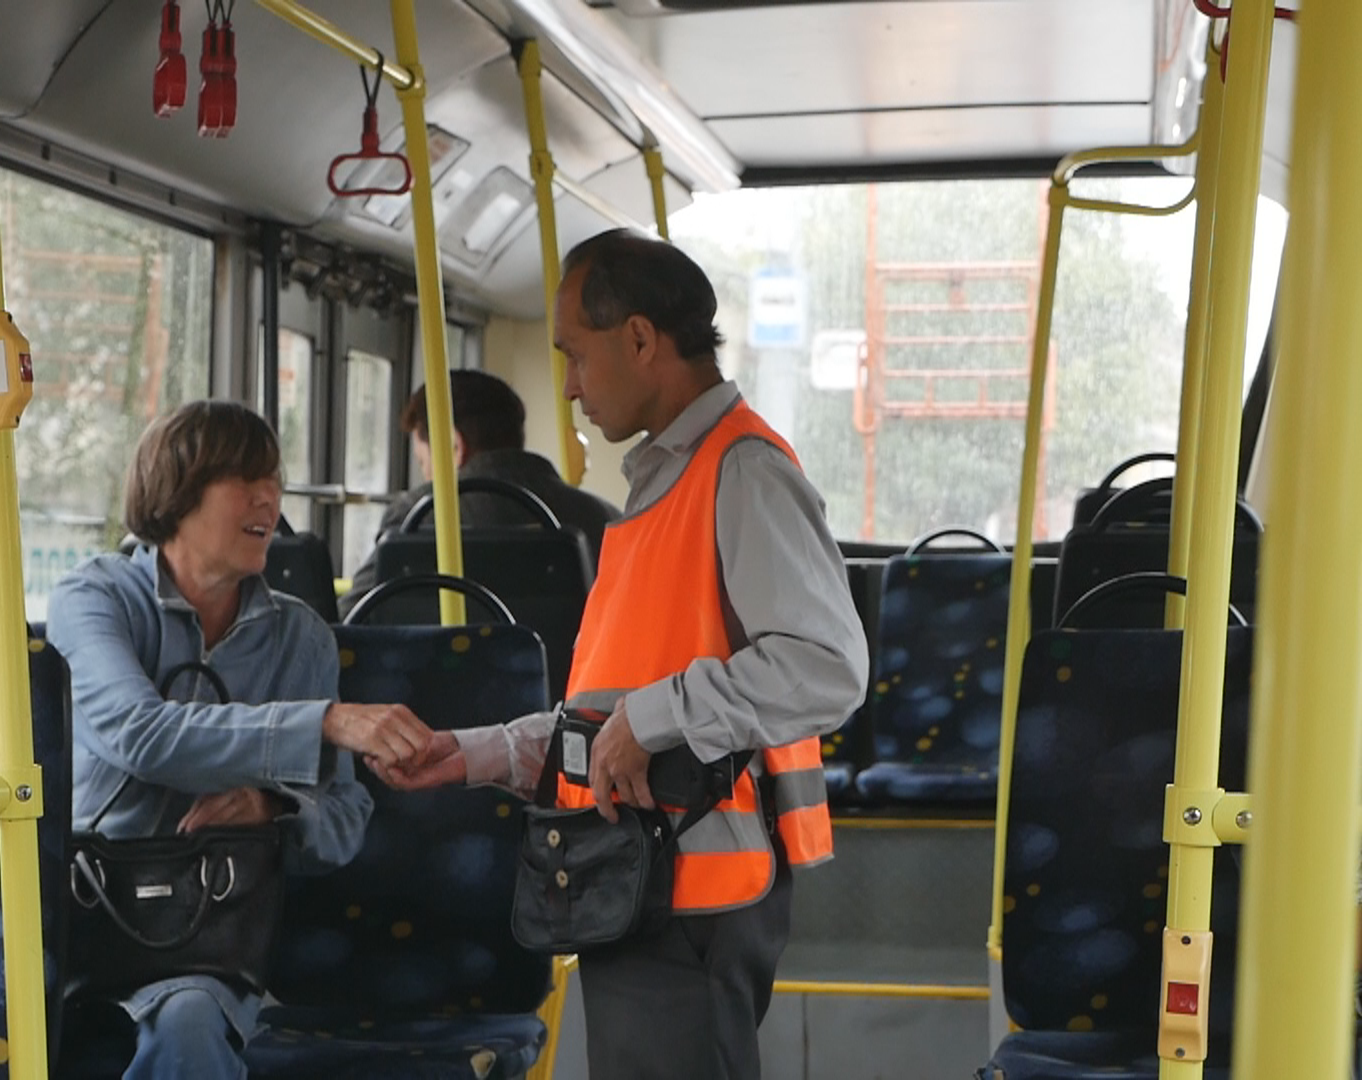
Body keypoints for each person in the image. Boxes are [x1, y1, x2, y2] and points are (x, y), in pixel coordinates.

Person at [374, 231, 867, 1080]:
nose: (567, 387)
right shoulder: (656, 488)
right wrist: (479, 752)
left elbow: (827, 665)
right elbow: (608, 710)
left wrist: (653, 715)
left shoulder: (740, 470)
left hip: (693, 892)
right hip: (636, 878)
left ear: (640, 339)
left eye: (574, 354)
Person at [45, 400, 435, 1080]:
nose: (269, 498)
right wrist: (319, 724)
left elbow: (344, 820)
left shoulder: (301, 636)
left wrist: (276, 809)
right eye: (244, 480)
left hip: (210, 939)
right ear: (177, 492)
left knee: (191, 1016)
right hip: (82, 908)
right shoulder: (94, 599)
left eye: (274, 480)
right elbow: (138, 733)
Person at [339, 369, 619, 616]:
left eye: (423, 463)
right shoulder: (605, 519)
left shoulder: (418, 515)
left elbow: (353, 616)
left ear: (455, 446)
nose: (426, 476)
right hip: (580, 676)